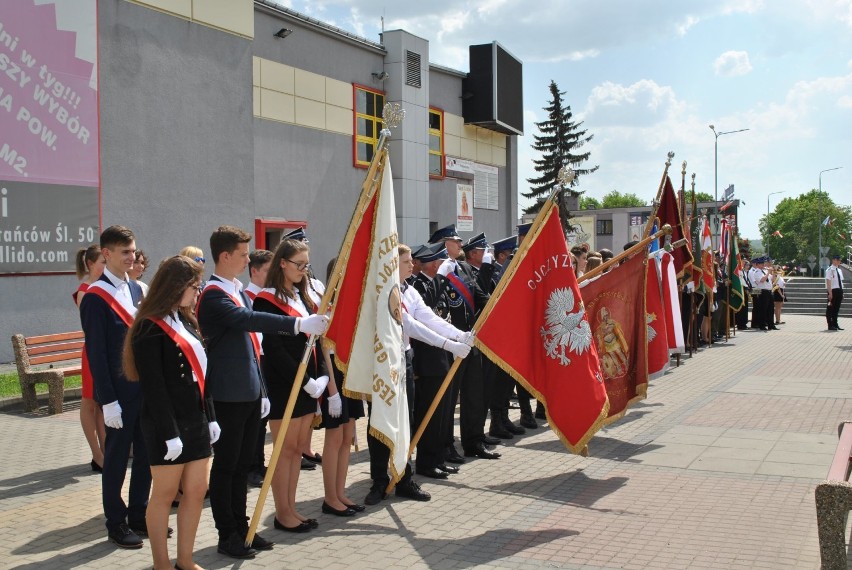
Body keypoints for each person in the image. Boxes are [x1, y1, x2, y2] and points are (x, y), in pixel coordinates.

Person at [196, 225, 328, 559]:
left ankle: (244, 528)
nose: (248, 259)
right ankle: (227, 534)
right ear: (225, 256)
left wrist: (263, 389)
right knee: (226, 467)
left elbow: (254, 348)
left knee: (242, 466)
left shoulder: (236, 289)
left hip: (249, 392)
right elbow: (247, 320)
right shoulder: (213, 293)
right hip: (226, 394)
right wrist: (298, 324)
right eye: (242, 254)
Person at [123, 255, 214, 570]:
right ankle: (161, 564)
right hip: (167, 423)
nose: (196, 292)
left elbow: (202, 373)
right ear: (176, 286)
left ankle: (185, 560)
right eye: (193, 286)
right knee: (163, 495)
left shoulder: (186, 319)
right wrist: (170, 433)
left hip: (196, 417)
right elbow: (154, 387)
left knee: (196, 490)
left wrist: (211, 416)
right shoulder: (149, 327)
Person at [253, 238, 336, 531]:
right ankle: (282, 512)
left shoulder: (302, 296)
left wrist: (322, 376)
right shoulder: (265, 299)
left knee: (297, 449)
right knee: (283, 450)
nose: (303, 270)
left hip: (308, 381)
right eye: (298, 265)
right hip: (285, 383)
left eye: (306, 265)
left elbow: (318, 340)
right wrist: (306, 382)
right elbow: (274, 351)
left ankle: (291, 507)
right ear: (283, 264)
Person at [79, 225, 151, 549]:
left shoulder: (136, 290)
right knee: (117, 458)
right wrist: (107, 400)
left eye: (133, 251)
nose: (131, 257)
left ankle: (138, 515)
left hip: (142, 389)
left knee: (146, 456)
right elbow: (97, 353)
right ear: (106, 254)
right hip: (118, 395)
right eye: (125, 252)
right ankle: (116, 523)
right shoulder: (95, 298)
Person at [435, 229, 498, 460]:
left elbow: (480, 296)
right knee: (449, 400)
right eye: (455, 240)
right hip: (448, 344)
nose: (460, 242)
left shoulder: (464, 268)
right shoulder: (437, 269)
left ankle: (474, 442)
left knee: (474, 395)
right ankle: (446, 445)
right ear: (443, 243)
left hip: (469, 341)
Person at [320, 257, 365, 515]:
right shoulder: (327, 303)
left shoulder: (352, 303)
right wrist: (333, 391)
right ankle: (329, 497)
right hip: (334, 375)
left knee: (348, 437)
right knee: (334, 437)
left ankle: (340, 492)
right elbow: (325, 348)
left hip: (350, 371)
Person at [244, 249, 275, 488]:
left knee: (262, 418)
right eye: (267, 270)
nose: (272, 274)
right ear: (254, 271)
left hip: (265, 359)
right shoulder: (248, 297)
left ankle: (258, 462)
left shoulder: (267, 296)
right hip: (255, 360)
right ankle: (250, 467)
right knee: (254, 419)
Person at [74, 244, 107, 473]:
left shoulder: (103, 287)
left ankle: (105, 451)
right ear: (90, 264)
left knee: (101, 404)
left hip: (103, 352)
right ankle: (97, 454)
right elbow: (91, 328)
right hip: (93, 352)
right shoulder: (86, 290)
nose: (106, 267)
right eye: (103, 262)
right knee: (89, 402)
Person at [826, 254, 844, 331]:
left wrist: (842, 292)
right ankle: (830, 325)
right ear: (834, 260)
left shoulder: (839, 270)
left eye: (839, 260)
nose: (839, 261)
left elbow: (841, 282)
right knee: (830, 309)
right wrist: (830, 293)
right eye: (838, 260)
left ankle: (835, 324)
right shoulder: (830, 269)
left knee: (836, 309)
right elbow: (828, 281)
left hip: (839, 290)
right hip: (833, 290)